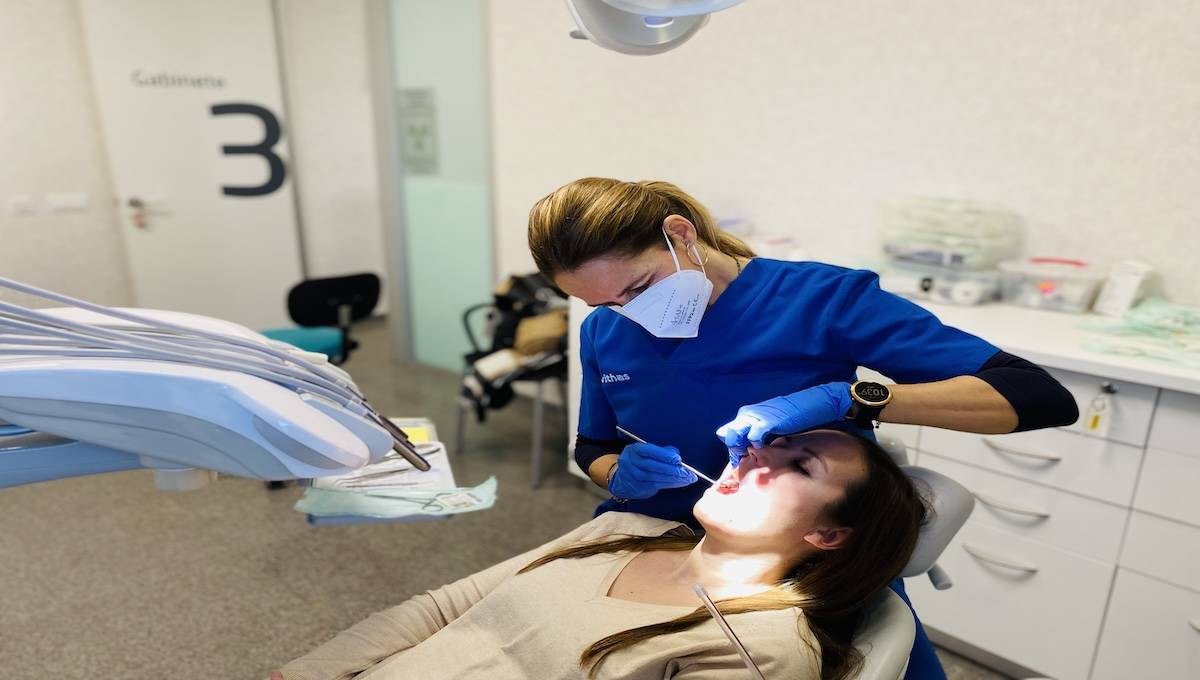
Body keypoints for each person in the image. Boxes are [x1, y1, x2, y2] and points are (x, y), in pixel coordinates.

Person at [526, 177, 1080, 680]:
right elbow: (593, 446)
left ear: (681, 234)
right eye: (605, 303)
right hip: (655, 542)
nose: (629, 311)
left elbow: (1036, 396)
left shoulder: (820, 300)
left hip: (803, 562)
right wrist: (618, 473)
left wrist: (854, 400)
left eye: (640, 287)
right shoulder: (604, 330)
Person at [274, 428, 929, 680]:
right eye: (768, 445)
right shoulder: (620, 529)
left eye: (799, 466)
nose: (754, 455)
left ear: (829, 535)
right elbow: (439, 609)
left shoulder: (759, 650)